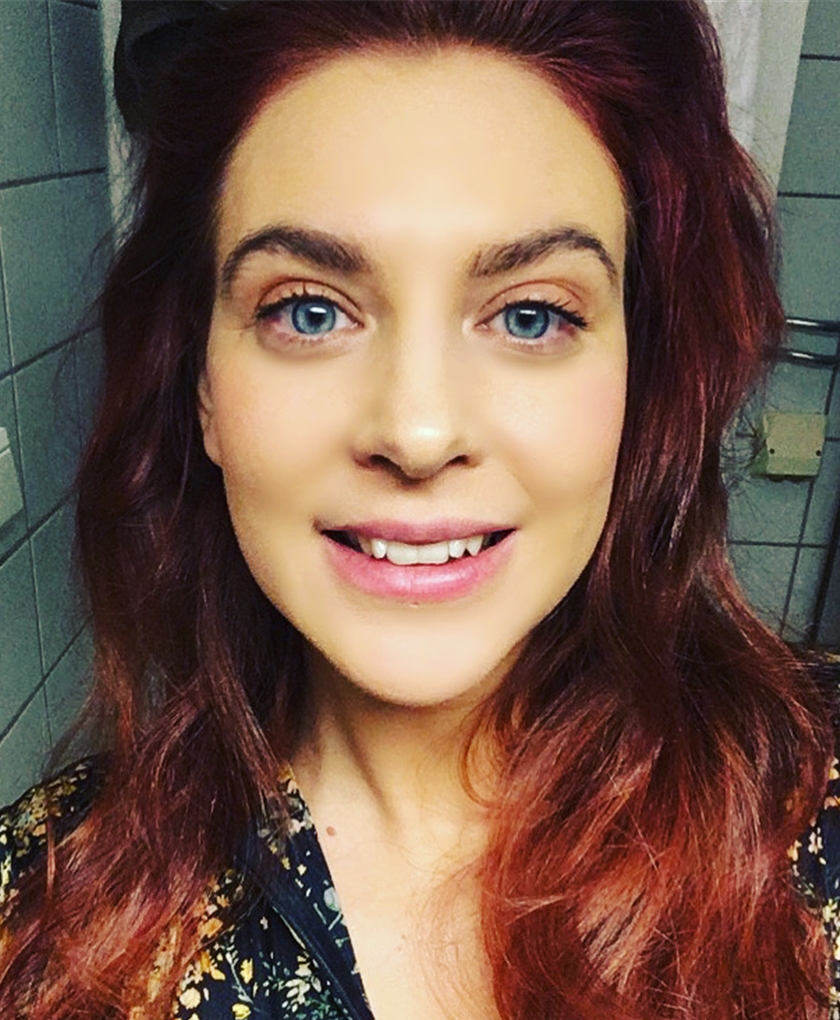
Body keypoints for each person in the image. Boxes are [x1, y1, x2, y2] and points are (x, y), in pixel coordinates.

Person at [1, 2, 837, 1018]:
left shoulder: (812, 806)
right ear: (204, 388)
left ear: (638, 381)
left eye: (531, 316)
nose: (419, 431)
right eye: (310, 310)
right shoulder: (36, 915)